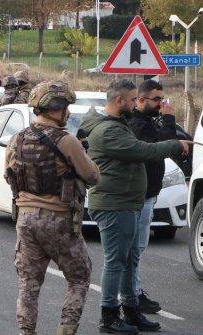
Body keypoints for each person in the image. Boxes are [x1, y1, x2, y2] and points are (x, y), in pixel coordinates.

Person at [79, 79, 192, 334]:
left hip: (127, 202)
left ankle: (130, 310)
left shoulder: (117, 125)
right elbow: (142, 150)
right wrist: (175, 144)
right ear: (119, 101)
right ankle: (109, 315)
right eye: (132, 100)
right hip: (114, 203)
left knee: (129, 259)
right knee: (116, 261)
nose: (136, 104)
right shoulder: (109, 130)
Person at [5, 80, 100, 335]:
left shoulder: (17, 139)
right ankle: (65, 330)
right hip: (58, 218)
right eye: (66, 107)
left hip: (25, 219)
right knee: (79, 277)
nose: (68, 112)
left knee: (28, 283)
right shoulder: (67, 141)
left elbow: (10, 174)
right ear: (56, 109)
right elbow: (92, 176)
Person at [126, 80, 177, 314]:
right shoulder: (138, 124)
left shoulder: (145, 121)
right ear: (140, 100)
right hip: (139, 195)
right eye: (156, 100)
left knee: (137, 249)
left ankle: (133, 293)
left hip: (148, 193)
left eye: (162, 99)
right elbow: (163, 146)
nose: (161, 104)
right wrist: (169, 119)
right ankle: (131, 297)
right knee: (134, 250)